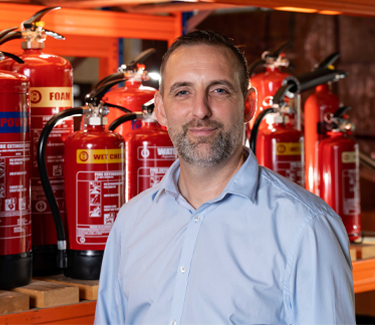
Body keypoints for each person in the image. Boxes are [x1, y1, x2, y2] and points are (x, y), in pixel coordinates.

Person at [94, 30, 355, 324]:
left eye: (219, 90)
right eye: (183, 92)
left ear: (248, 105)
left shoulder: (307, 228)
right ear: (161, 110)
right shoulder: (131, 222)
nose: (200, 111)